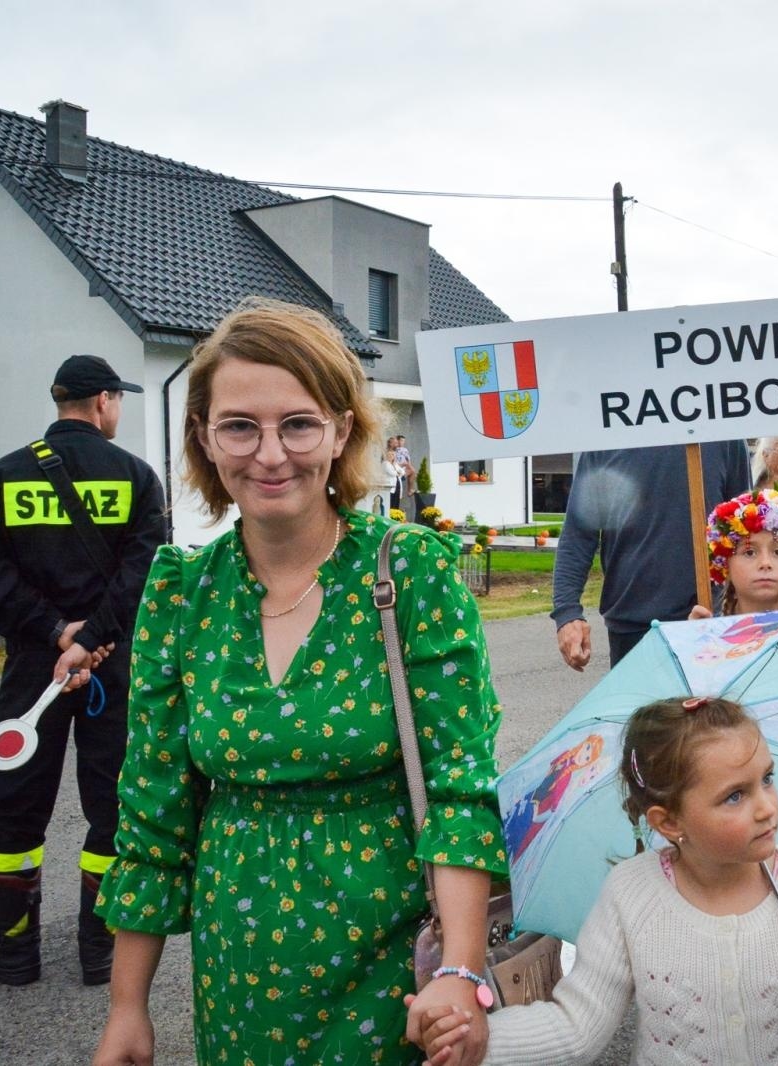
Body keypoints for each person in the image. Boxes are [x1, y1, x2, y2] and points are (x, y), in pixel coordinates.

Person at [91, 299, 506, 1066]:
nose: (270, 454)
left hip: (393, 966)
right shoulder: (182, 590)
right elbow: (153, 814)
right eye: (240, 425)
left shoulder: (409, 569)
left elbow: (460, 786)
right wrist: (126, 1008)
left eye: (299, 425)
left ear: (342, 432)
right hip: (239, 973)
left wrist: (459, 969)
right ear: (205, 438)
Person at [412, 696, 778, 1066]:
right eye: (734, 796)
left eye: (767, 779)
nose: (766, 806)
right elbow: (578, 1025)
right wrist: (475, 1041)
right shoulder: (632, 895)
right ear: (669, 823)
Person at [0, 354, 166, 987]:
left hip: (34, 665)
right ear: (103, 401)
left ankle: (13, 949)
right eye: (119, 400)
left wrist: (55, 634)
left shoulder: (1, 478)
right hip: (111, 668)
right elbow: (145, 572)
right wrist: (95, 638)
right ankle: (99, 949)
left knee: (15, 806)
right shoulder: (135, 475)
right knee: (112, 804)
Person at [551, 442, 750, 670]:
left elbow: (742, 529)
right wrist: (567, 613)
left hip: (707, 621)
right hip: (631, 625)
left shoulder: (721, 435)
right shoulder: (606, 437)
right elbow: (579, 533)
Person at [690, 488, 778, 619]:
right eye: (749, 552)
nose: (765, 563)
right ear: (725, 565)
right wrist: (693, 637)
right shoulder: (709, 635)